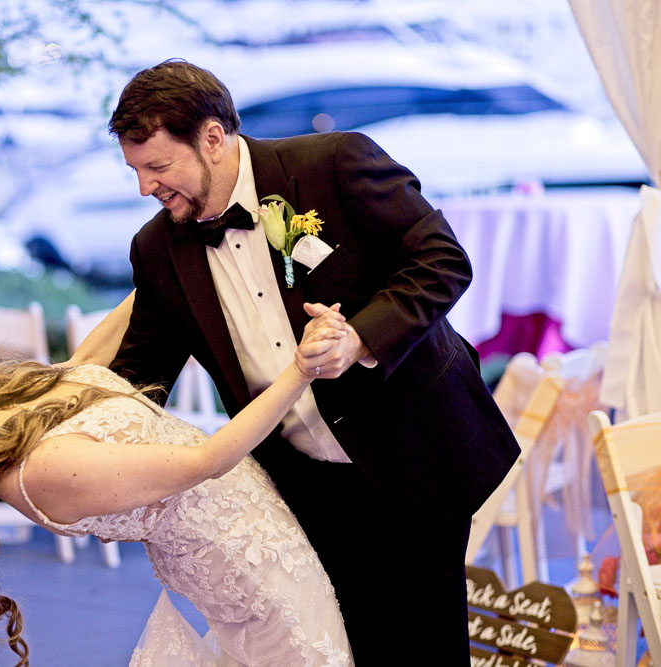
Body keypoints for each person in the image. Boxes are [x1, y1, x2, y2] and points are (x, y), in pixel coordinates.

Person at [106, 59, 521, 664]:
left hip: (409, 449)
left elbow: (441, 261)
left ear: (214, 139)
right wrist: (75, 434)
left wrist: (359, 339)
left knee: (424, 644)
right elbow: (140, 374)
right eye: (136, 171)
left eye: (158, 167)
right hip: (300, 482)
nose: (146, 187)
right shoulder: (156, 248)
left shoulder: (335, 165)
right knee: (339, 646)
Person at [0, 298, 354, 667]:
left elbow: (87, 363)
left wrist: (172, 238)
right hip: (262, 576)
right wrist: (302, 369)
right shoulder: (37, 474)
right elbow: (207, 460)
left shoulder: (11, 405)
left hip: (271, 530)